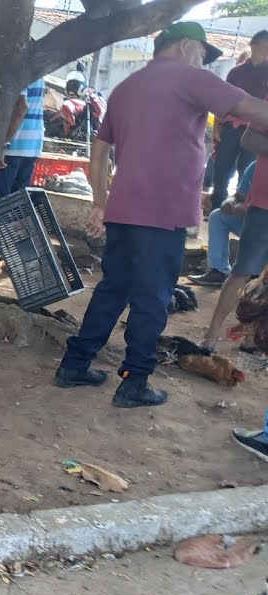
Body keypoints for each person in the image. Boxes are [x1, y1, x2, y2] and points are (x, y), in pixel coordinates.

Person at [56, 22, 268, 408]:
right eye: (204, 53)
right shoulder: (189, 77)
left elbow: (99, 151)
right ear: (186, 45)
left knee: (113, 289)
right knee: (152, 298)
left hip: (124, 210)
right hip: (162, 212)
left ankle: (74, 364)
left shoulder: (126, 88)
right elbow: (250, 109)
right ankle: (134, 381)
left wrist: (100, 202)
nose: (205, 62)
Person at [203, 134, 268, 350]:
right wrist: (232, 204)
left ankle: (252, 339)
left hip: (259, 207)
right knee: (242, 272)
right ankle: (211, 336)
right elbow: (249, 139)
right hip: (263, 207)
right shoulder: (263, 108)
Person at [0, 77, 47, 271]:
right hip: (32, 145)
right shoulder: (38, 70)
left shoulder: (21, 68)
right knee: (18, 205)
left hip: (15, 146)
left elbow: (20, 107)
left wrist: (4, 143)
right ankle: (14, 257)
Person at [211, 31, 268, 210]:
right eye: (265, 44)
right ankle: (217, 209)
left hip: (256, 131)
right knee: (222, 169)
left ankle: (241, 209)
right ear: (254, 44)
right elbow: (222, 101)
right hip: (231, 127)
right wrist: (216, 129)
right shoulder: (237, 71)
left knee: (247, 170)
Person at [191, 161, 255, 288]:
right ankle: (219, 271)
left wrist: (248, 209)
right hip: (251, 223)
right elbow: (239, 195)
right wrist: (230, 201)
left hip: (262, 224)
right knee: (217, 216)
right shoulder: (256, 166)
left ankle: (255, 276)